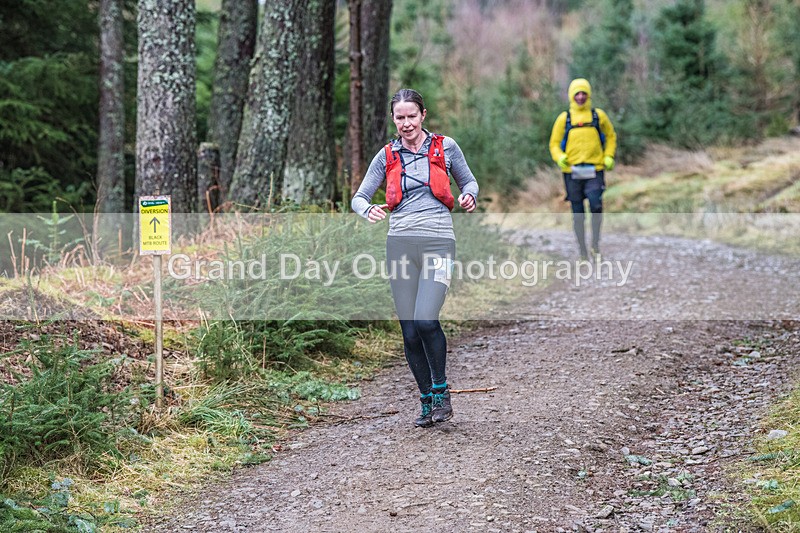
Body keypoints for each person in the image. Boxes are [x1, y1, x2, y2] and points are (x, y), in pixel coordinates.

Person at [351, 88, 479, 428]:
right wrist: (367, 210)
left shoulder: (445, 147)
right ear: (393, 119)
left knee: (425, 319)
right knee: (409, 331)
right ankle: (426, 400)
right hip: (400, 246)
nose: (406, 123)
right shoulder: (386, 155)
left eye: (411, 116)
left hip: (439, 242)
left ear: (423, 115)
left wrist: (468, 196)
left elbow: (469, 182)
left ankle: (441, 392)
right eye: (399, 117)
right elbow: (359, 197)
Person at [549, 78, 617, 260]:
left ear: (588, 95)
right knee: (578, 213)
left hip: (595, 169)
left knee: (596, 205)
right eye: (577, 93)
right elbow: (554, 143)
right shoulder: (564, 119)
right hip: (572, 172)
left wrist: (609, 155)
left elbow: (611, 136)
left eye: (583, 93)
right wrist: (560, 157)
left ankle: (595, 244)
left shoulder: (598, 116)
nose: (580, 97)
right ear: (572, 96)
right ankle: (582, 250)